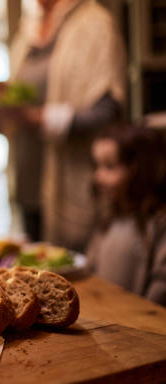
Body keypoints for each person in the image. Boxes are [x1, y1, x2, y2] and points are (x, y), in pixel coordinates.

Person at [0, 0, 126, 250]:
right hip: (27, 189)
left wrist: (34, 117)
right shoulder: (28, 31)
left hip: (72, 194)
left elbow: (107, 112)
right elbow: (19, 108)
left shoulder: (96, 25)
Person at [86, 125, 166, 305]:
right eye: (97, 166)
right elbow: (91, 269)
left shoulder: (158, 223)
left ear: (141, 169)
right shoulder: (109, 217)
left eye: (110, 166)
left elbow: (161, 286)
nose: (98, 176)